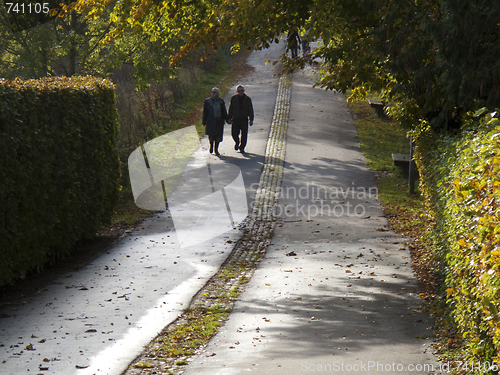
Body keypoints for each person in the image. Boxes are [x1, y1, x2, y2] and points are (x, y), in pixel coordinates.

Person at [228, 85, 254, 153]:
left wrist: (251, 119)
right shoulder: (234, 98)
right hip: (235, 119)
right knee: (234, 133)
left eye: (242, 90)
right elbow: (231, 109)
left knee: (244, 134)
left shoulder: (247, 99)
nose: (241, 92)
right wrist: (229, 118)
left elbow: (250, 109)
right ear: (237, 91)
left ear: (244, 90)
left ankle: (242, 147)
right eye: (239, 91)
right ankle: (237, 142)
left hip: (244, 119)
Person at [202, 87, 228, 156]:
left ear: (218, 94)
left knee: (218, 136)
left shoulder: (221, 101)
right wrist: (204, 120)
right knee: (211, 136)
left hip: (219, 121)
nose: (213, 93)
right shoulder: (207, 102)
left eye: (214, 92)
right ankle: (211, 146)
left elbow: (224, 111)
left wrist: (227, 118)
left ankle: (216, 149)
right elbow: (205, 112)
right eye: (212, 92)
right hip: (210, 121)